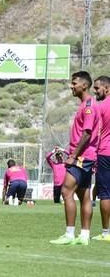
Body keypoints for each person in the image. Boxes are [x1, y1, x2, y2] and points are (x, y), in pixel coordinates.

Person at [50, 71, 99, 246]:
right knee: (84, 194)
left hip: (82, 157)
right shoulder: (87, 104)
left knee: (66, 191)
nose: (71, 86)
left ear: (84, 85)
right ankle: (84, 236)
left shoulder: (88, 106)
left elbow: (87, 133)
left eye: (74, 83)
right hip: (87, 156)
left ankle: (69, 234)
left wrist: (73, 155)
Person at [92, 75, 110, 241]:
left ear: (107, 88)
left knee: (105, 193)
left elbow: (94, 132)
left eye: (97, 88)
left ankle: (106, 233)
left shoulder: (100, 107)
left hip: (105, 153)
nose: (95, 91)